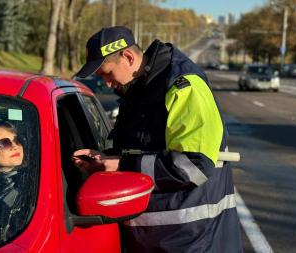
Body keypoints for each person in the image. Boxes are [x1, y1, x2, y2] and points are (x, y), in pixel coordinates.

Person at [72, 26, 242, 252]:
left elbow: (193, 165)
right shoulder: (140, 89)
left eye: (106, 73)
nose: (106, 83)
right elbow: (143, 148)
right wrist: (106, 160)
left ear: (129, 57)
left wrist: (122, 166)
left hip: (193, 241)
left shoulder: (182, 86)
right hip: (161, 239)